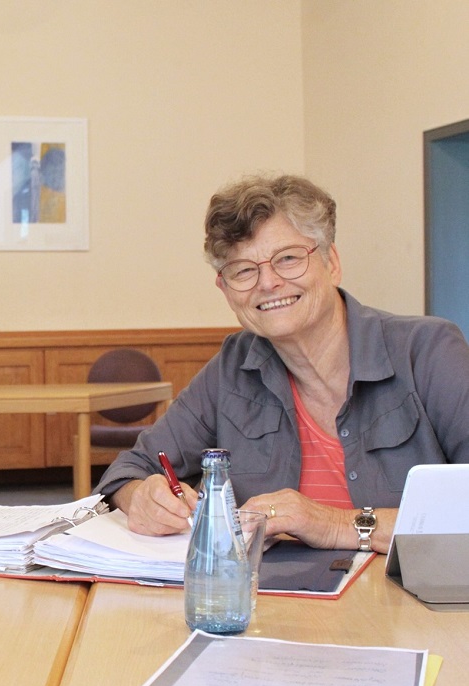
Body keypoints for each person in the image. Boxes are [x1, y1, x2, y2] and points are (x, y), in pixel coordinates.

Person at [96, 174, 469, 555]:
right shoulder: (231, 369)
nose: (268, 282)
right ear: (225, 290)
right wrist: (140, 495)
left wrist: (334, 523)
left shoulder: (428, 352)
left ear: (332, 263)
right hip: (269, 604)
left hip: (409, 605)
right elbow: (128, 470)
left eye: (288, 258)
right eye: (243, 270)